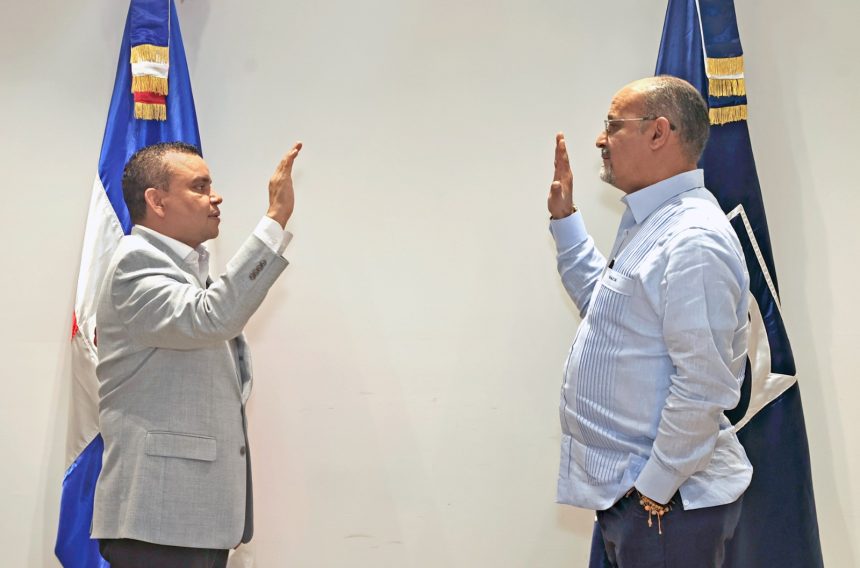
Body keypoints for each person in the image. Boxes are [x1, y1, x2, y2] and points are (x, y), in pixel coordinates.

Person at [547, 76, 752, 567]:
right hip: (638, 499)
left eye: (613, 125)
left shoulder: (693, 240)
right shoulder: (653, 220)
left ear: (659, 132)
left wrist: (655, 489)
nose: (601, 140)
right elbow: (604, 309)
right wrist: (566, 219)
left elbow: (703, 385)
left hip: (666, 506)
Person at [91, 140, 302, 567]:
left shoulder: (182, 270)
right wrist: (274, 219)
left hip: (187, 520)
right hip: (156, 524)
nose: (215, 197)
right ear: (156, 201)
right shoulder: (135, 263)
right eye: (200, 187)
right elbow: (213, 316)